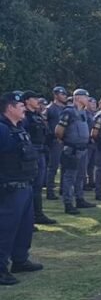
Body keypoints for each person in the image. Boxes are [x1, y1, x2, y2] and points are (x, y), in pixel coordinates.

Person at [0, 92, 44, 285]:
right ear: (9, 108)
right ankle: (1, 269)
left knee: (25, 227)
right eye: (20, 106)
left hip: (25, 186)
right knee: (6, 229)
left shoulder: (19, 128)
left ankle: (20, 260)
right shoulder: (2, 130)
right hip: (9, 188)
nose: (24, 108)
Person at [55, 89, 96, 214]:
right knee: (69, 177)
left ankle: (80, 199)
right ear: (78, 98)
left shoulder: (83, 112)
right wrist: (66, 142)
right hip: (72, 149)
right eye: (86, 97)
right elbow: (58, 131)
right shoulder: (69, 112)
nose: (88, 100)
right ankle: (68, 203)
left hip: (83, 148)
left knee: (81, 176)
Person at [21, 91, 56, 225]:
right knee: (31, 186)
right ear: (27, 101)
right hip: (32, 153)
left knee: (38, 186)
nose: (38, 101)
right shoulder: (25, 117)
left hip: (41, 152)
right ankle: (29, 217)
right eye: (35, 98)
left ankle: (38, 214)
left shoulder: (37, 116)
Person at [44, 86, 68, 200]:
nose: (64, 96)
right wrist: (51, 136)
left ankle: (63, 189)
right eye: (62, 94)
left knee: (65, 166)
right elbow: (44, 124)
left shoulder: (66, 108)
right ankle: (50, 191)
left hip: (66, 140)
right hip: (55, 141)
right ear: (55, 95)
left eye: (64, 94)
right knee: (53, 167)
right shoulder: (50, 108)